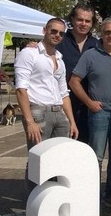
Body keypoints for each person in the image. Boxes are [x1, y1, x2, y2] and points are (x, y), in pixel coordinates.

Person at [15, 18, 78, 193]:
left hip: (59, 111)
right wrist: (29, 122)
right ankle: (35, 202)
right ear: (45, 30)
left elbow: (64, 92)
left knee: (59, 158)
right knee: (38, 158)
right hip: (38, 111)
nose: (57, 35)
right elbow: (21, 89)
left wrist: (71, 121)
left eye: (61, 33)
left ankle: (53, 196)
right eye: (54, 31)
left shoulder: (59, 58)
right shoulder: (29, 53)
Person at [69, 17, 111, 212]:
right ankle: (91, 194)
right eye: (107, 32)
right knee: (96, 157)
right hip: (99, 113)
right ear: (101, 33)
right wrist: (89, 103)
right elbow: (74, 81)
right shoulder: (90, 55)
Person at [56, 4, 99, 144]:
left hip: (88, 108)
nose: (83, 24)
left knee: (85, 149)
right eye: (80, 20)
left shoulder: (97, 45)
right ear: (72, 19)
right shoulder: (59, 41)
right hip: (62, 105)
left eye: (87, 21)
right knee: (61, 148)